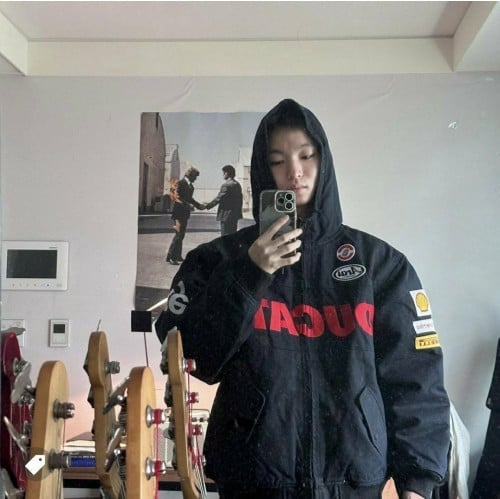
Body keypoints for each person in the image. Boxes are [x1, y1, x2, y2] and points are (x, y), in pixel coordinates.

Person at [156, 99, 450, 498]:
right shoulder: (217, 260)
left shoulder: (380, 264)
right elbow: (193, 357)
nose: (294, 171)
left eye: (306, 155)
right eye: (277, 161)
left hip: (355, 481)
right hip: (251, 480)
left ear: (323, 160)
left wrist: (417, 481)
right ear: (262, 170)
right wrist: (250, 274)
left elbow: (415, 378)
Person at [166, 166, 205, 265]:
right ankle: (171, 257)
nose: (196, 179)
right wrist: (188, 205)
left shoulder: (191, 186)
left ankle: (177, 256)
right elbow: (177, 197)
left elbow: (190, 199)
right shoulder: (180, 183)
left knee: (181, 235)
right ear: (190, 175)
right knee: (179, 234)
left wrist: (199, 205)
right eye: (195, 177)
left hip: (185, 213)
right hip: (178, 212)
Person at [205, 164, 243, 236]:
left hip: (226, 215)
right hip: (234, 215)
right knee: (232, 236)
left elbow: (219, 198)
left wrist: (207, 206)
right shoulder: (238, 185)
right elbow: (240, 200)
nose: (223, 175)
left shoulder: (226, 185)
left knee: (225, 236)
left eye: (223, 173)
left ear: (227, 173)